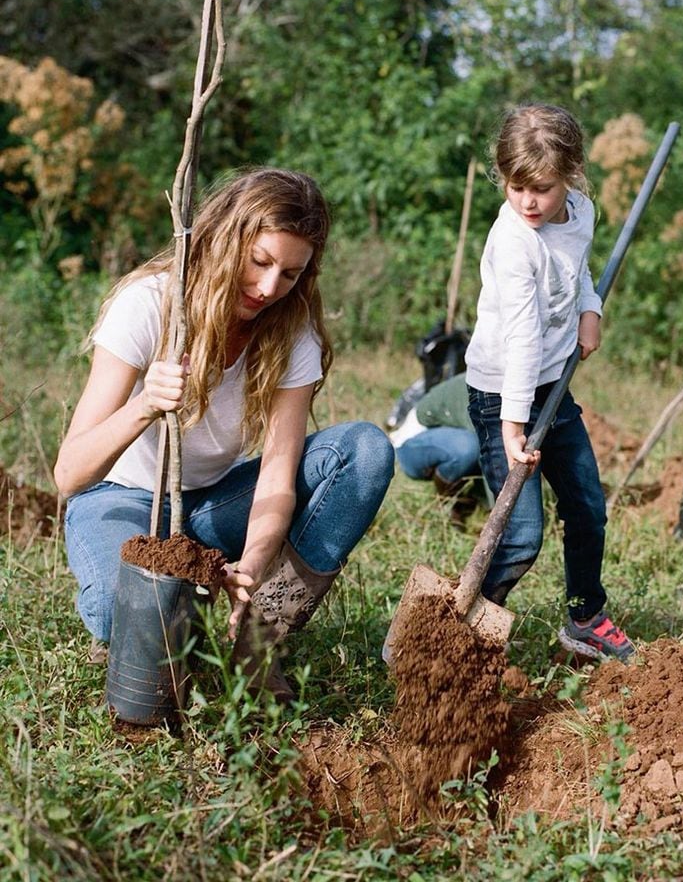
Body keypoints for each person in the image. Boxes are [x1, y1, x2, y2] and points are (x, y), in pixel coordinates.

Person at [53, 167, 395, 698]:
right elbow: (69, 474)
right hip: (114, 499)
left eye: (290, 274)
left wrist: (256, 561)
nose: (268, 288)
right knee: (116, 610)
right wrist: (145, 405)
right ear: (224, 238)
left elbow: (278, 480)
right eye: (259, 262)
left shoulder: (289, 330)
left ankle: (258, 639)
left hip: (210, 506)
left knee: (364, 451)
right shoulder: (150, 304)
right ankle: (170, 614)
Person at [465, 104, 635, 663]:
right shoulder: (514, 243)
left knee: (587, 506)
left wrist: (590, 309)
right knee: (519, 536)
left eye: (541, 188)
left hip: (554, 387)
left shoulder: (580, 211)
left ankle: (585, 616)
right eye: (516, 188)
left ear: (572, 177)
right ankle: (465, 629)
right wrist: (512, 426)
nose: (528, 202)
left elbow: (579, 268)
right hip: (502, 394)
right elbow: (521, 340)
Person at [389, 372, 488, 529]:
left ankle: (470, 502)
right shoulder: (481, 388)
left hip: (447, 439)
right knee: (469, 447)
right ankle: (446, 507)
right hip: (410, 448)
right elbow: (488, 452)